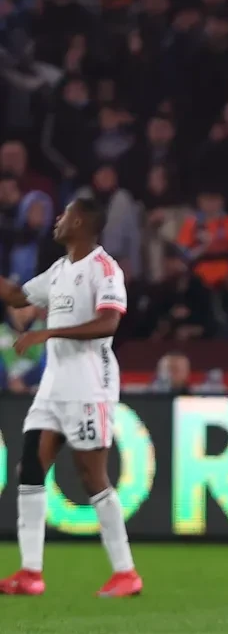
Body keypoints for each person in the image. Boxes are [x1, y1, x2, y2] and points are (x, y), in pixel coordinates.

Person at [0, 198, 142, 598]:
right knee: (30, 468)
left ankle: (126, 572)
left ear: (79, 222)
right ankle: (30, 572)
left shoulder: (103, 268)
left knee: (91, 477)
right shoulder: (60, 271)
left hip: (88, 385)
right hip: (53, 386)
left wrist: (49, 333)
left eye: (63, 216)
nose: (57, 222)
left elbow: (109, 321)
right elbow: (17, 297)